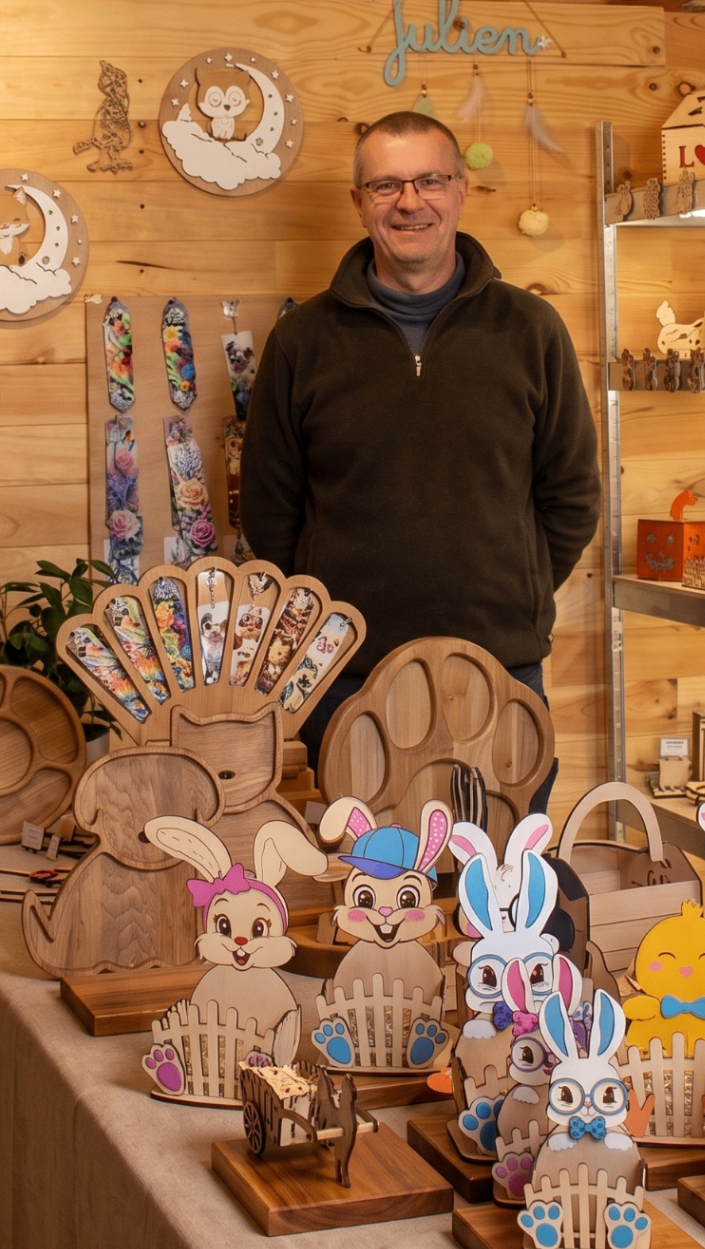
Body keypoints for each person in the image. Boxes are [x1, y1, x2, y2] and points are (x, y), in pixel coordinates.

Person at [241, 110, 601, 790]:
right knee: (366, 888)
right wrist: (326, 616)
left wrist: (512, 585)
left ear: (462, 190)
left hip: (499, 668)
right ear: (359, 202)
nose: (410, 202)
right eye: (385, 186)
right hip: (347, 677)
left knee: (498, 886)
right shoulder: (302, 342)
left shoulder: (531, 330)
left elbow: (573, 494)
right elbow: (270, 510)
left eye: (429, 180)